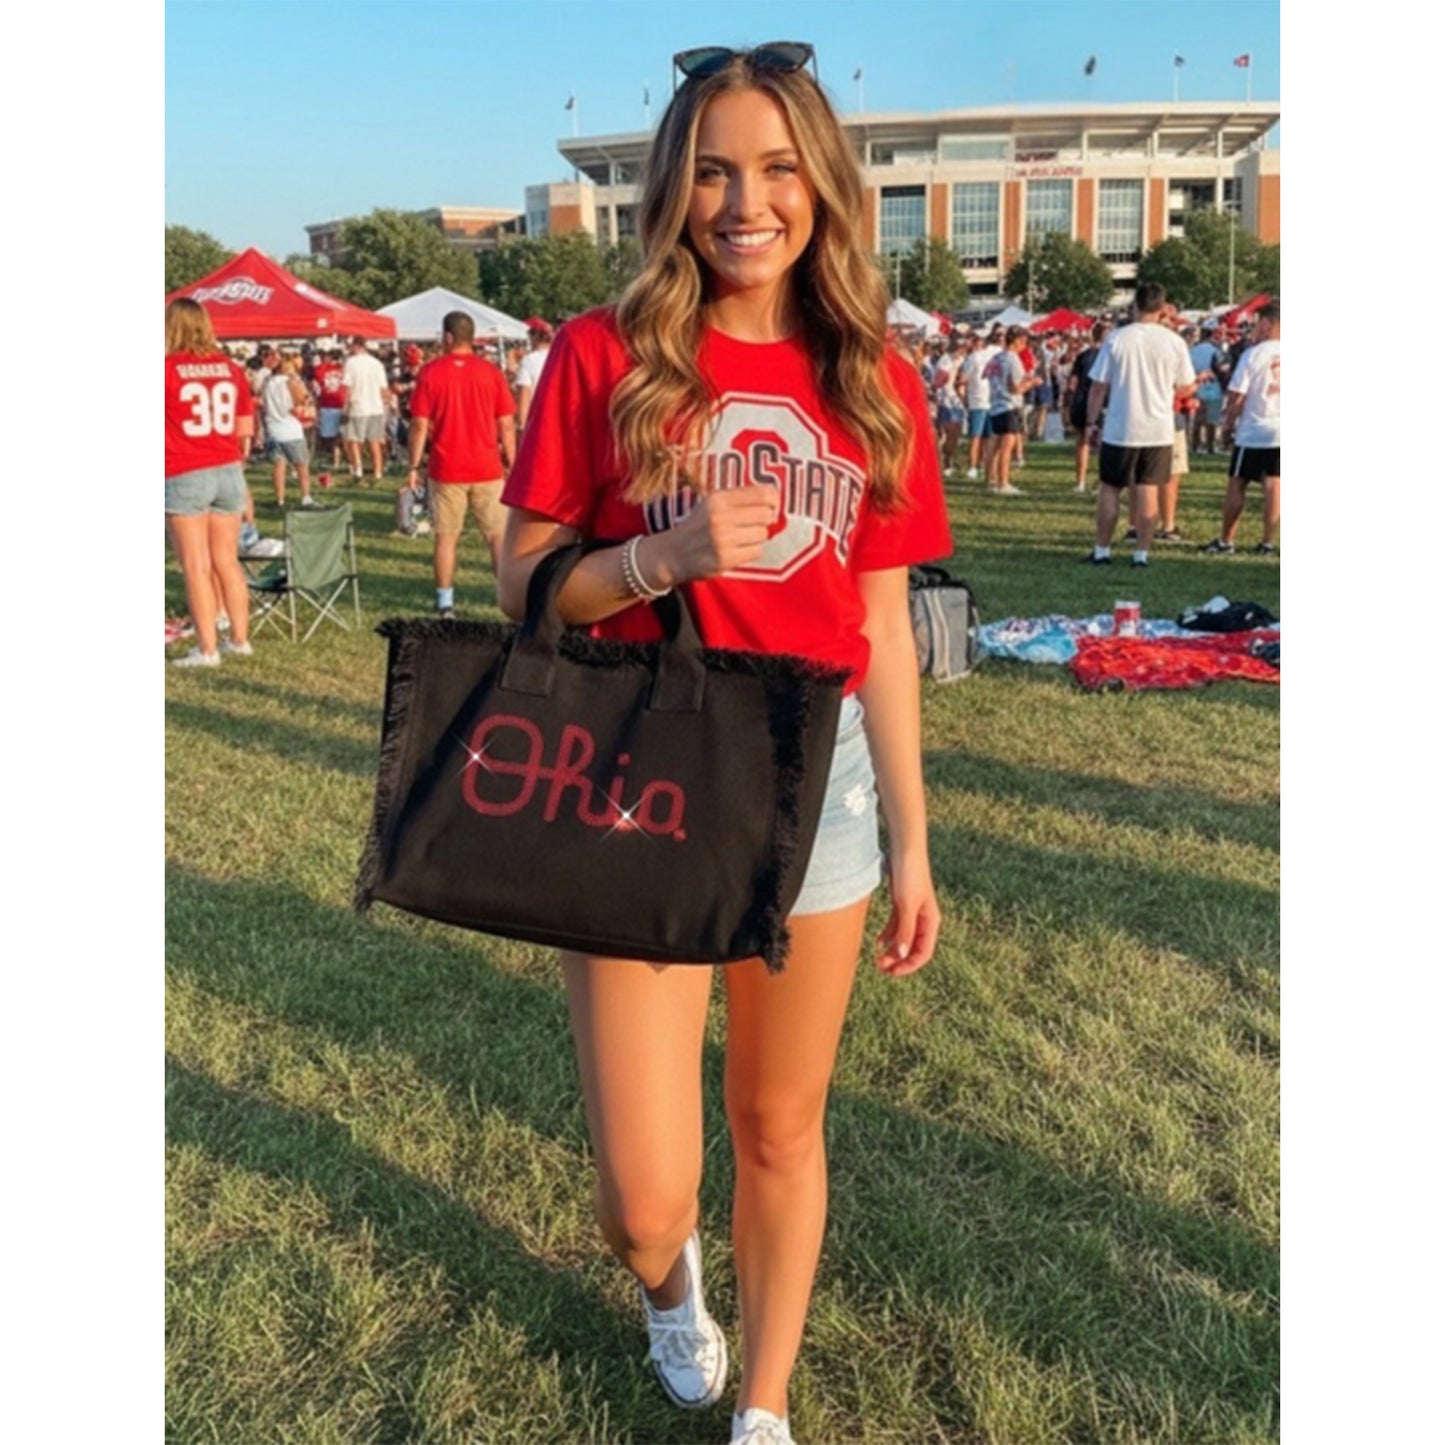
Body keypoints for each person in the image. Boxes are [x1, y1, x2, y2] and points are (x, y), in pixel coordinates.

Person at [496, 42, 950, 1445]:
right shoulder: (603, 353)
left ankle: (765, 1401)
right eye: (710, 172)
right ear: (670, 190)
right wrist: (663, 555)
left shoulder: (872, 375)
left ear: (822, 185)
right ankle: (669, 1286)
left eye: (774, 169)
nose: (744, 204)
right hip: (638, 770)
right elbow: (522, 585)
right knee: (644, 1194)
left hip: (820, 779)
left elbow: (882, 621)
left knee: (778, 1122)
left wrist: (914, 839)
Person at [407, 311, 518, 617]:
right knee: (497, 537)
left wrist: (413, 466)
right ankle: (509, 599)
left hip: (447, 467)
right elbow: (507, 424)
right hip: (487, 467)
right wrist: (512, 461)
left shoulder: (431, 372)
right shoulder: (491, 372)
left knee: (446, 538)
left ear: (448, 337)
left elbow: (419, 424)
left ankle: (445, 603)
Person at [165, 298, 255, 667]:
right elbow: (245, 430)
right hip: (228, 468)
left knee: (195, 565)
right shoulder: (231, 369)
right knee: (227, 561)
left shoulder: (165, 370)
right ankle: (239, 639)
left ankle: (207, 649)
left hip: (185, 469)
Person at [1082, 283, 1196, 567]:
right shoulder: (1174, 342)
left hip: (1121, 425)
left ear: (1135, 305)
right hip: (1158, 427)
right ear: (1162, 308)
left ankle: (1102, 550)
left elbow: (1098, 386)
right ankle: (1141, 554)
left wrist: (1091, 422)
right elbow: (1186, 386)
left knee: (1110, 488)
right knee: (1148, 489)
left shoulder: (1117, 339)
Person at [1205, 300, 1280, 555]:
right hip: (1280, 429)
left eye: (1258, 323)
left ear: (1268, 323)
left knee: (1237, 483)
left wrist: (1227, 425)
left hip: (1254, 429)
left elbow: (1237, 394)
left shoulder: (1254, 354)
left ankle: (1227, 540)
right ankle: (1267, 542)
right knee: (1274, 485)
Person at [982, 325, 1037, 495]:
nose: (1025, 346)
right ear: (1018, 340)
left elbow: (986, 375)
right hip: (1009, 405)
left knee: (995, 446)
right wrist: (1032, 382)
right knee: (1007, 447)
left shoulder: (996, 357)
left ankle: (991, 479)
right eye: (1024, 342)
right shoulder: (1013, 359)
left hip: (995, 404)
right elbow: (1015, 388)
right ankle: (1003, 483)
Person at [260, 350, 314, 508]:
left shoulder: (268, 382)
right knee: (302, 466)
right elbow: (302, 401)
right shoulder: (291, 382)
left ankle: (280, 500)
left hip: (272, 428)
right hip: (291, 429)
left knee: (279, 466)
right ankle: (306, 497)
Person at [341, 337, 391, 482]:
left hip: (358, 406)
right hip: (376, 407)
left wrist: (345, 407)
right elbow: (383, 389)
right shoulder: (377, 364)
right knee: (374, 442)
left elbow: (348, 387)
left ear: (356, 346)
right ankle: (378, 473)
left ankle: (358, 470)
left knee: (354, 440)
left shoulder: (351, 362)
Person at [1064, 322, 1106, 492]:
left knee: (1082, 441)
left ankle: (1080, 482)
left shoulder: (1083, 355)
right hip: (1103, 401)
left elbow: (1072, 383)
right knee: (1105, 445)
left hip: (1082, 399)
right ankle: (1102, 481)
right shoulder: (1108, 356)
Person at [961, 328, 999, 480]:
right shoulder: (977, 357)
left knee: (983, 436)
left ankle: (981, 465)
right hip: (979, 400)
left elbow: (964, 378)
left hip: (984, 400)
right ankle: (975, 466)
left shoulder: (978, 356)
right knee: (979, 436)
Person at [514, 317, 554, 428]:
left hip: (538, 422)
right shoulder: (560, 356)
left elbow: (524, 396)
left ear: (534, 337)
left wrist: (522, 426)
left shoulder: (528, 360)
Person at [314, 347, 348, 470]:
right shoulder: (320, 369)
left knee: (345, 436)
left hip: (342, 404)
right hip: (328, 405)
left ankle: (348, 461)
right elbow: (318, 376)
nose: (326, 357)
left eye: (329, 355)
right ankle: (336, 461)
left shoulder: (343, 367)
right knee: (331, 437)